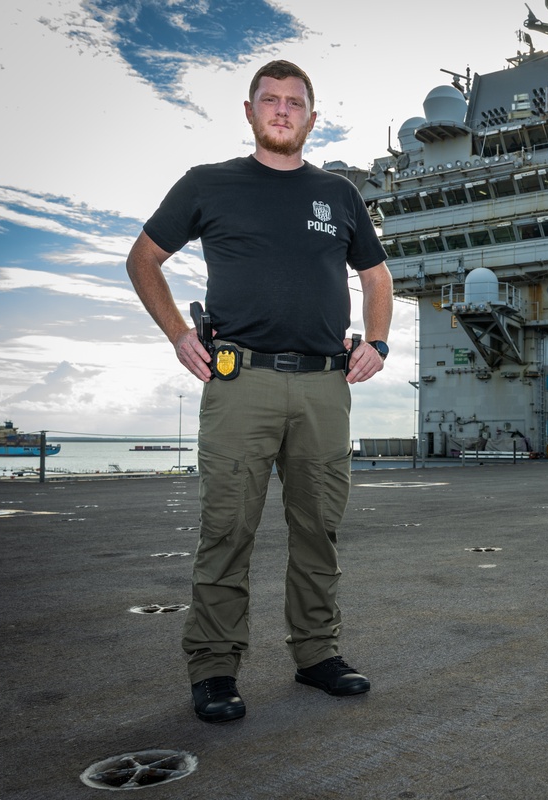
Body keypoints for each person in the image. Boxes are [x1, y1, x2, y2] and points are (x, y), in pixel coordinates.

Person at [126, 59, 393, 723]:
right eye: (269, 101)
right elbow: (144, 260)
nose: (281, 110)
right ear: (249, 112)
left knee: (319, 530)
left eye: (294, 102)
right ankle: (215, 669)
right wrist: (175, 335)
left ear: (311, 116)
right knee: (228, 529)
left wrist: (377, 343)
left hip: (324, 388)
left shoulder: (339, 195)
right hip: (238, 381)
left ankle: (317, 654)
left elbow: (377, 276)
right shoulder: (207, 185)